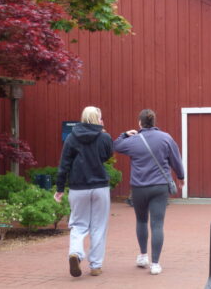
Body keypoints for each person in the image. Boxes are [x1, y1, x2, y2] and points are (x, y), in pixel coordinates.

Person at [113, 109, 184, 275]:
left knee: (142, 221)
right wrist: (181, 176)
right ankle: (156, 264)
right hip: (159, 186)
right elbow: (176, 158)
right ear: (154, 121)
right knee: (157, 224)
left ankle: (143, 255)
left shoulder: (134, 140)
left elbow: (115, 145)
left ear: (139, 123)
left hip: (139, 187)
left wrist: (124, 134)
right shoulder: (166, 138)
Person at [54, 106, 113, 277]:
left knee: (78, 224)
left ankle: (75, 253)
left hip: (78, 187)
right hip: (100, 186)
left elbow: (64, 164)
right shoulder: (104, 137)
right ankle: (95, 265)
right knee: (99, 226)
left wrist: (59, 188)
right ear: (98, 118)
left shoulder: (72, 138)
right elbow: (107, 156)